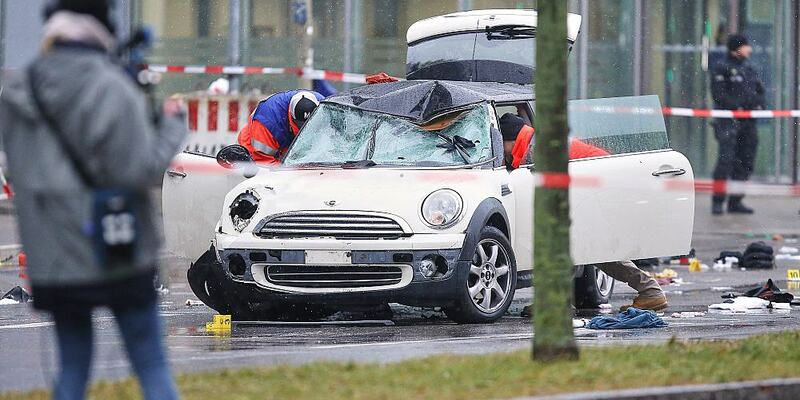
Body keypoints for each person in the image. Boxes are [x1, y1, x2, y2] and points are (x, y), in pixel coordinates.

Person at [0, 1, 185, 399]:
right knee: (150, 366)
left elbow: (19, 171)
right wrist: (171, 127)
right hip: (117, 247)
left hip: (56, 259)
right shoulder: (111, 86)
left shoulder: (18, 89)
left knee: (71, 370)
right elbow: (138, 170)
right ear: (101, 28)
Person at [500, 114, 668, 312]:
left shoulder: (537, 151)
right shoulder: (535, 143)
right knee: (585, 248)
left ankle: (650, 292)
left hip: (598, 191)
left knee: (587, 247)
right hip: (596, 188)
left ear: (509, 141)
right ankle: (650, 292)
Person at [709, 33, 765, 215]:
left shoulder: (749, 69)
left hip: (748, 123)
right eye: (746, 46)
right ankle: (718, 201)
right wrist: (737, 107)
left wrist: (758, 105)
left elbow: (759, 92)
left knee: (745, 161)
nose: (749, 49)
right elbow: (719, 95)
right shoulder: (721, 68)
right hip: (728, 122)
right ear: (737, 48)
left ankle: (736, 200)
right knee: (726, 161)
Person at [238, 90, 324, 163]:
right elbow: (263, 162)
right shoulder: (266, 122)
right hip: (258, 148)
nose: (305, 130)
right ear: (290, 115)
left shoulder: (324, 108)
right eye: (301, 125)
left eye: (309, 124)